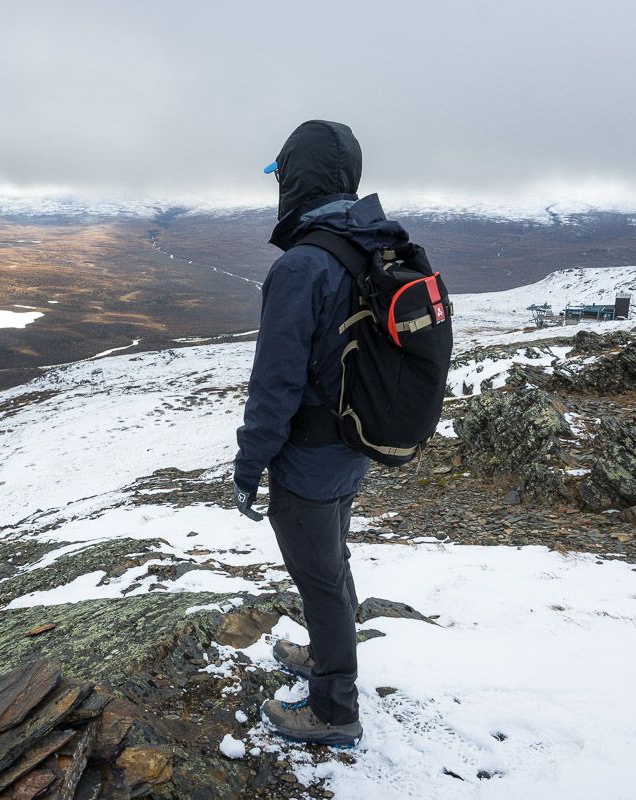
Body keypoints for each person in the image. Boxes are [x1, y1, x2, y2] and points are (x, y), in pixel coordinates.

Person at [233, 119, 415, 747]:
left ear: (296, 178)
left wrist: (250, 463)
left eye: (282, 174)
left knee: (319, 575)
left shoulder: (305, 264)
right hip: (352, 440)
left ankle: (334, 708)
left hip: (309, 451)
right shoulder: (372, 243)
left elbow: (275, 381)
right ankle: (323, 655)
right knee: (330, 562)